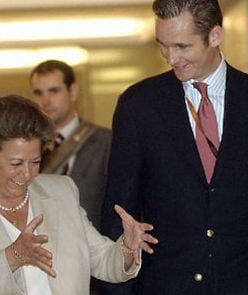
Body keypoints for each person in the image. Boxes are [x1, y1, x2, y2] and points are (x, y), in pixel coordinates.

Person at [101, 0, 248, 294]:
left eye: (182, 46)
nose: (171, 57)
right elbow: (118, 210)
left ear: (215, 36)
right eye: (163, 46)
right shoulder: (138, 106)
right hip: (166, 284)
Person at [0, 95, 158, 295]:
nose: (28, 173)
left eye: (35, 162)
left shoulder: (61, 192)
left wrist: (127, 247)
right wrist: (12, 257)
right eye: (16, 164)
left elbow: (101, 258)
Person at [29, 59, 111, 231]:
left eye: (54, 91)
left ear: (72, 91)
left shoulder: (105, 141)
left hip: (91, 244)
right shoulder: (26, 146)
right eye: (38, 93)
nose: (46, 101)